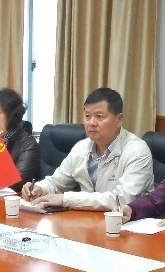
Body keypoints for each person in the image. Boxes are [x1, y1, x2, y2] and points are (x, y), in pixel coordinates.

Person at [21, 87, 153, 210]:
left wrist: (66, 199)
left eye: (99, 116)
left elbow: (123, 199)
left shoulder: (137, 150)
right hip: (88, 219)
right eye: (87, 116)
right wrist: (39, 188)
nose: (91, 123)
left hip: (128, 223)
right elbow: (56, 182)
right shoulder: (81, 147)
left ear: (119, 119)